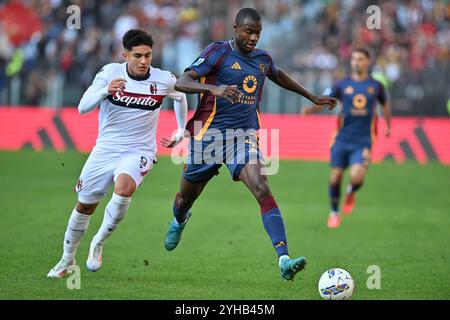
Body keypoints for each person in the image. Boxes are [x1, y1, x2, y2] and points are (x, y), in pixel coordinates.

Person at [162, 8, 336, 281]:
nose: (254, 37)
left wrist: (311, 96)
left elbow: (277, 75)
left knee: (261, 187)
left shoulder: (262, 59)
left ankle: (284, 259)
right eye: (249, 31)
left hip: (243, 137)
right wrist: (214, 89)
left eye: (258, 32)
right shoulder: (217, 52)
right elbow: (183, 82)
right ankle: (180, 220)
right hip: (207, 137)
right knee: (185, 198)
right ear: (235, 28)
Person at [47, 29, 187, 277]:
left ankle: (98, 243)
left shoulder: (163, 79)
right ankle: (66, 260)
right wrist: (105, 91)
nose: (144, 61)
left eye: (148, 55)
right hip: (105, 150)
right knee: (84, 207)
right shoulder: (110, 73)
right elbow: (82, 108)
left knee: (124, 189)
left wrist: (180, 129)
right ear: (125, 55)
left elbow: (180, 96)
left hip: (139, 150)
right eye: (137, 56)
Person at [301, 48, 391, 228]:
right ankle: (334, 213)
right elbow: (327, 99)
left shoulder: (376, 86)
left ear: (367, 62)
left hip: (364, 139)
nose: (356, 62)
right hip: (342, 138)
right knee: (335, 178)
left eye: (360, 59)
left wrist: (388, 124)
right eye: (353, 59)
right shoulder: (342, 84)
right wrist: (311, 110)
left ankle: (351, 190)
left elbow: (385, 103)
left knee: (356, 176)